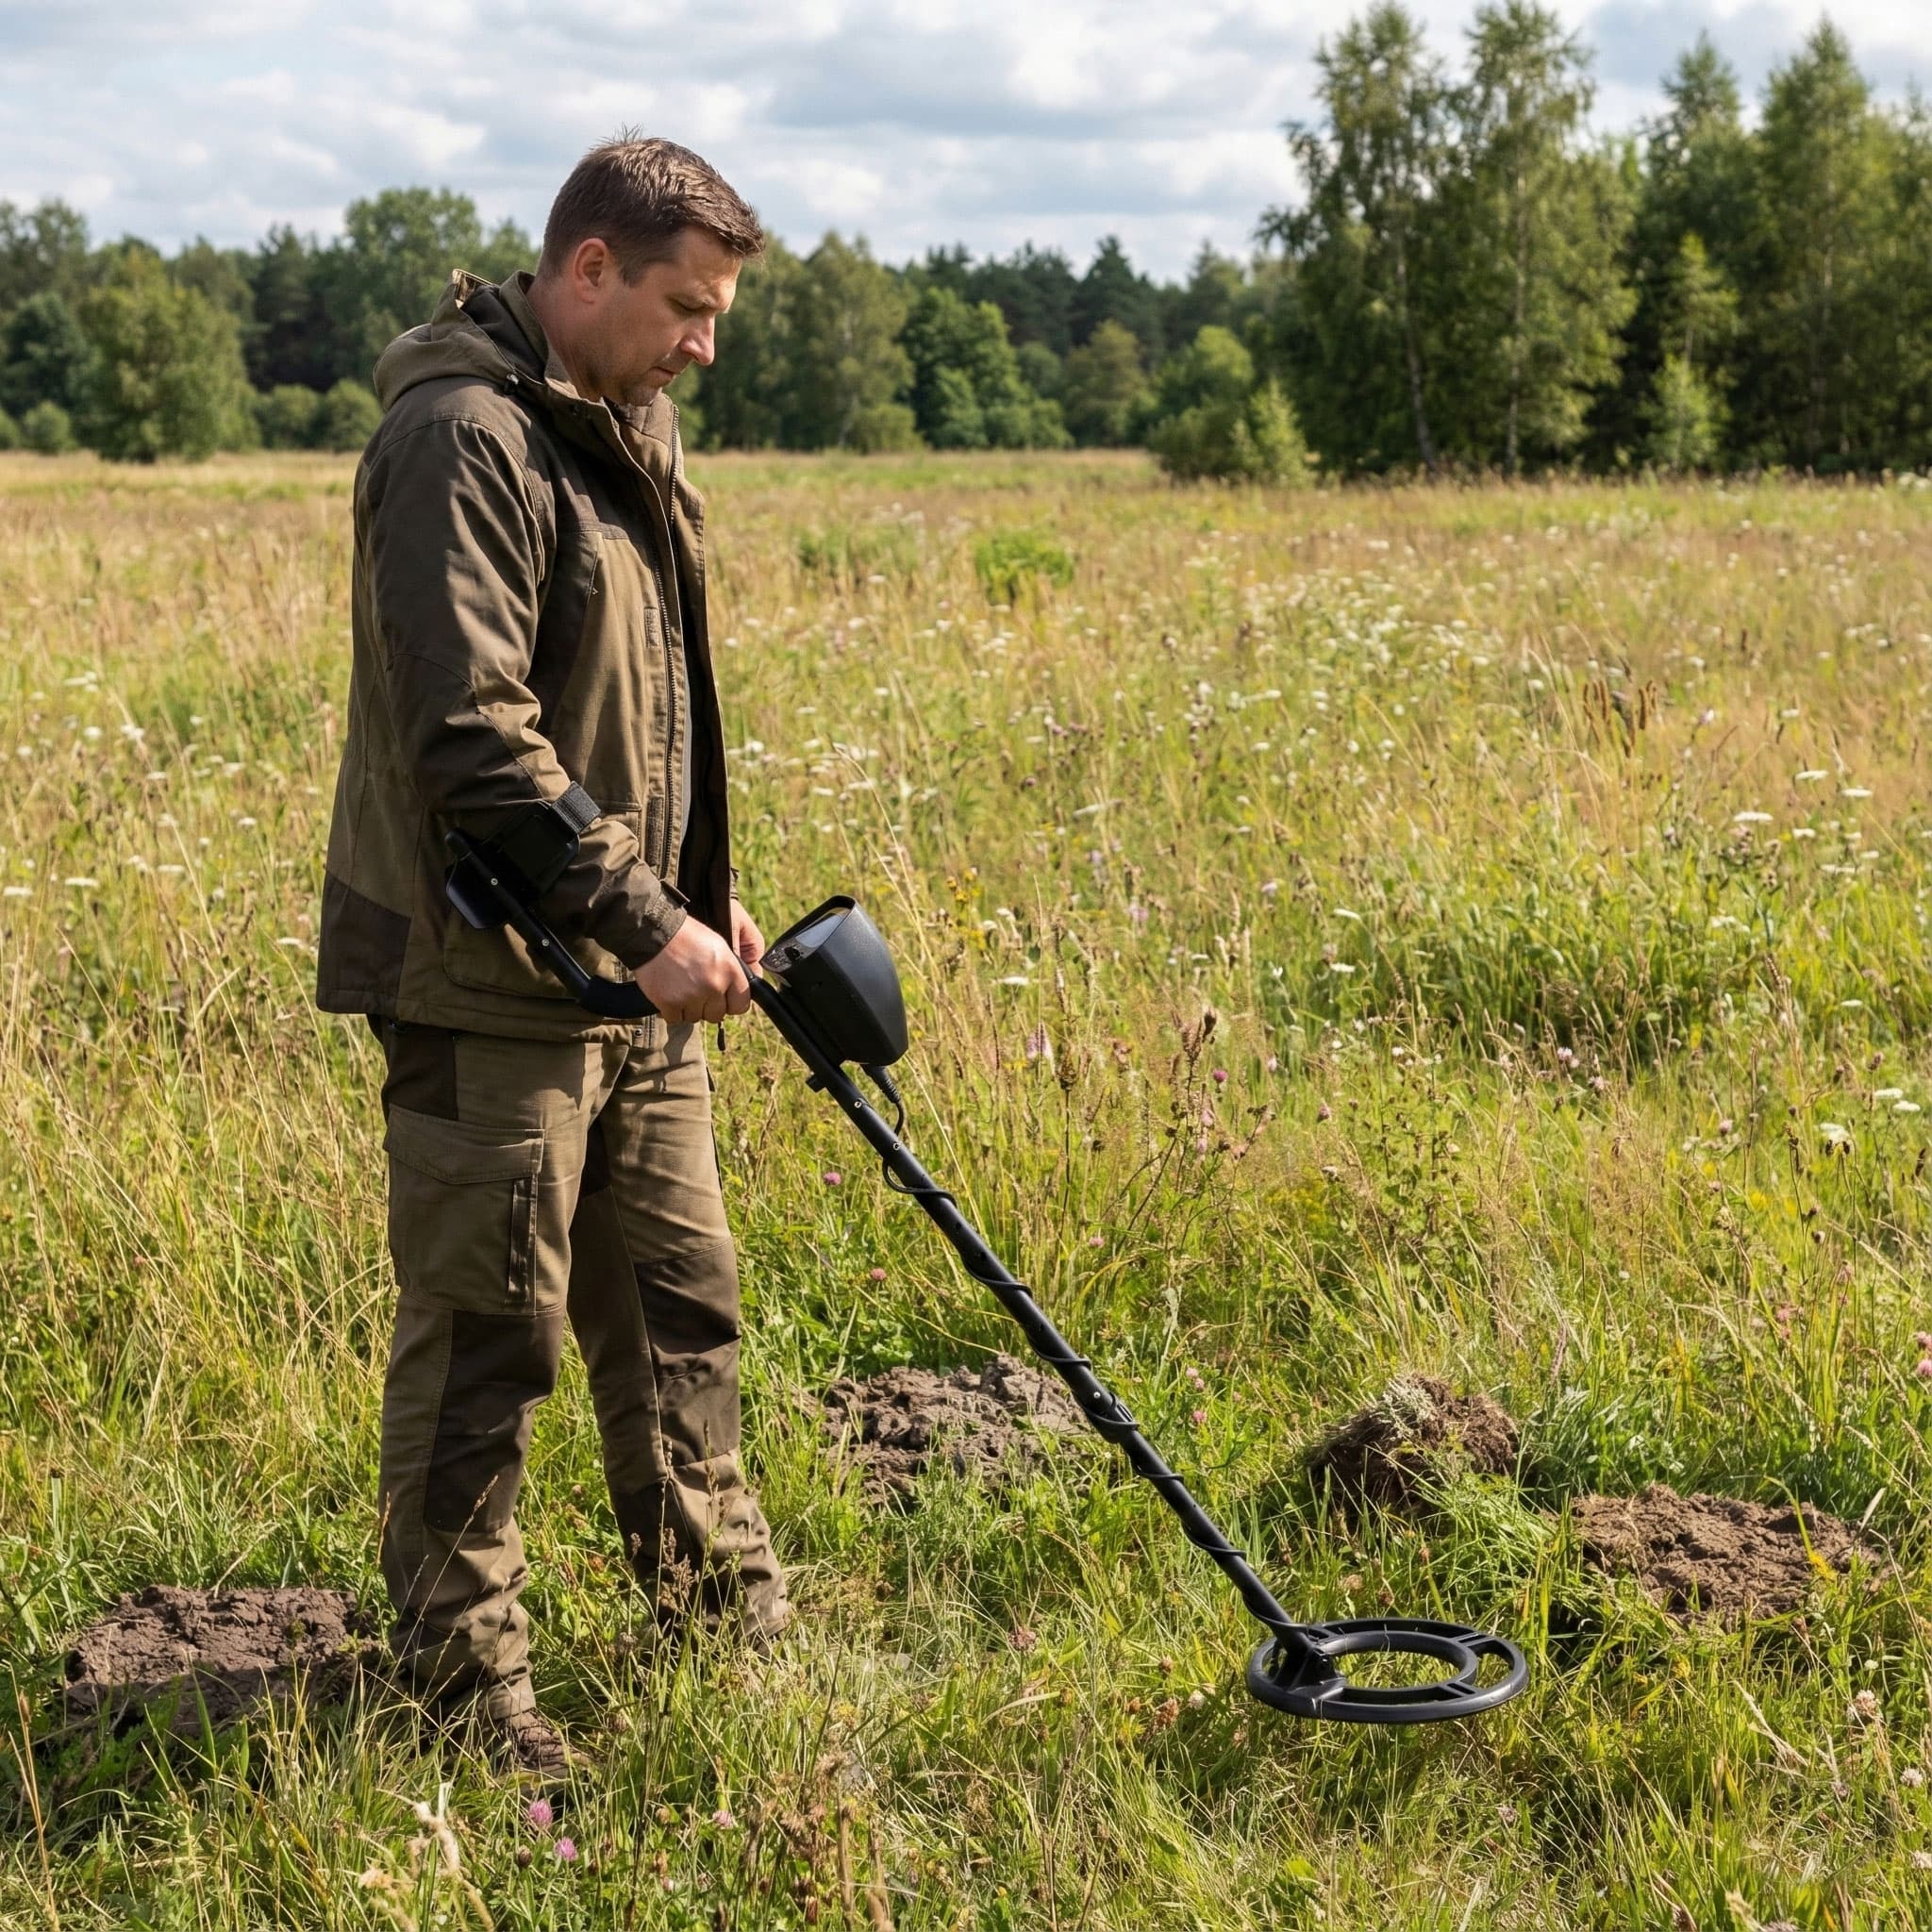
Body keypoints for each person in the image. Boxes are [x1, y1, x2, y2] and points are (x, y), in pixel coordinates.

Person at [314, 135, 787, 1774]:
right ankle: (464, 1703)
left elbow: (644, 706)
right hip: (488, 979)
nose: (702, 346)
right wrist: (640, 917)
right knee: (485, 1339)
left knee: (678, 1306)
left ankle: (725, 1626)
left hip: (624, 970)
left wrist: (693, 897)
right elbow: (472, 739)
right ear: (586, 268)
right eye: (684, 307)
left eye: (716, 315)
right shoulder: (462, 438)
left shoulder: (627, 427)